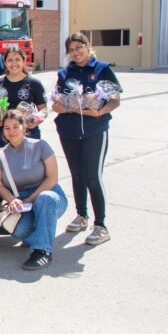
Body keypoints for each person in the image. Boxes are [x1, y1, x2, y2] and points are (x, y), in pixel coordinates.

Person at [53, 33, 122, 246]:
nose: (76, 52)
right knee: (77, 175)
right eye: (71, 49)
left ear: (87, 46)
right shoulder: (65, 73)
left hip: (94, 129)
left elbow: (115, 100)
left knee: (93, 176)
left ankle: (101, 226)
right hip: (69, 130)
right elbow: (55, 99)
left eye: (79, 47)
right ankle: (82, 216)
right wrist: (58, 105)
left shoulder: (102, 69)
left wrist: (100, 112)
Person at [0, 110, 69, 271]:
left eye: (15, 126)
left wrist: (32, 198)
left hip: (49, 196)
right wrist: (12, 200)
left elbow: (52, 178)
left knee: (45, 199)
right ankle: (42, 230)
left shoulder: (41, 146)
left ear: (24, 126)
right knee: (18, 233)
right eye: (7, 128)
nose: (11, 131)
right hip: (22, 202)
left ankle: (43, 251)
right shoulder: (0, 155)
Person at [0, 47, 47, 149]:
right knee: (2, 164)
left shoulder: (34, 84)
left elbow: (44, 110)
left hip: (28, 133)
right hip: (0, 135)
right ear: (5, 63)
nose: (14, 63)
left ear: (24, 61)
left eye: (17, 59)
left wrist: (36, 121)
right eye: (10, 60)